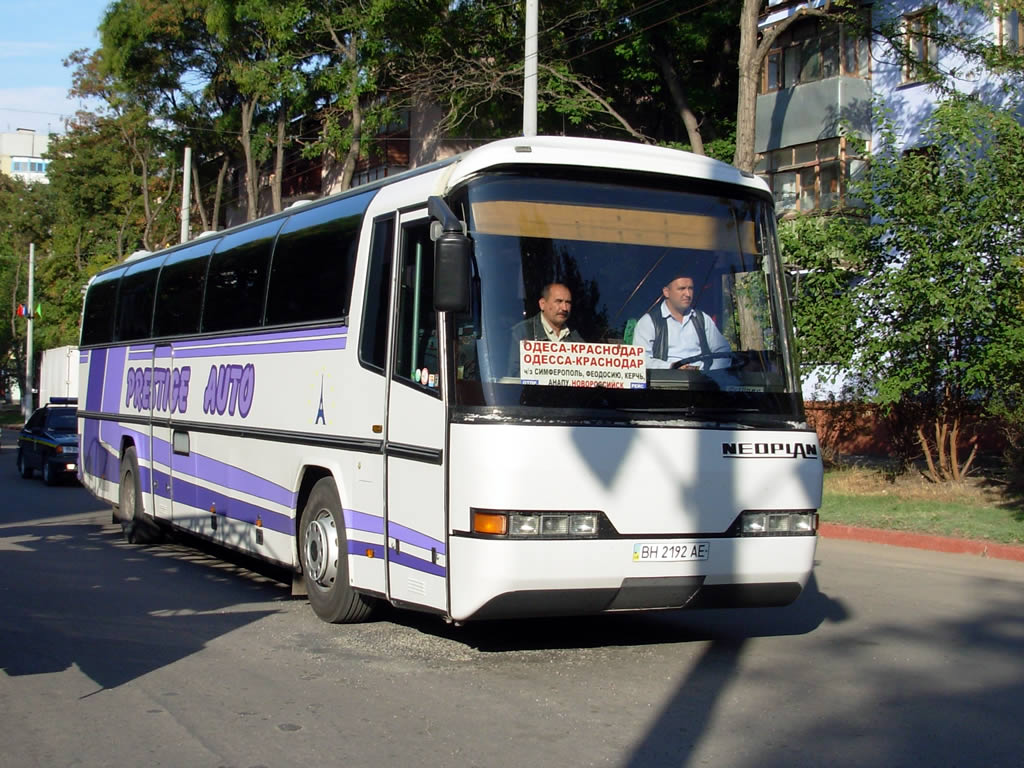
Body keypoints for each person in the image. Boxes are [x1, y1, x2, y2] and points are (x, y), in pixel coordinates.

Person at [632, 275, 731, 370]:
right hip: (664, 381)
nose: (687, 294)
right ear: (666, 292)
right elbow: (641, 360)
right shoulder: (649, 321)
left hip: (701, 382)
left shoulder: (702, 319)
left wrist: (710, 373)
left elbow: (723, 352)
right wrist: (671, 367)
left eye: (690, 288)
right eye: (681, 289)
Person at [508, 282, 584, 376]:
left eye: (568, 302)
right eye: (559, 301)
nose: (564, 308)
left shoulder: (575, 335)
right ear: (542, 304)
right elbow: (514, 376)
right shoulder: (522, 332)